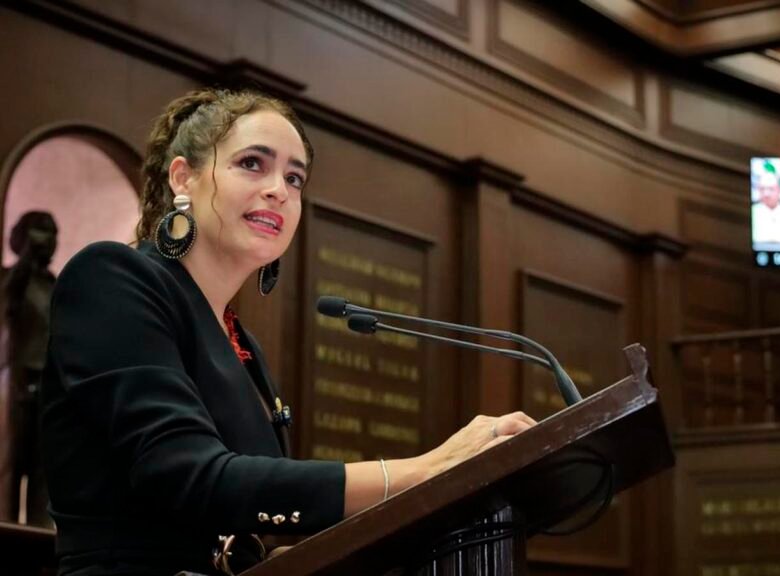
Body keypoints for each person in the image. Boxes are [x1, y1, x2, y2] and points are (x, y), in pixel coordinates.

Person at [40, 88, 537, 576]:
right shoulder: (111, 279)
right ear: (182, 177)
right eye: (252, 163)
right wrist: (426, 470)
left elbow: (240, 527)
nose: (279, 189)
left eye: (295, 177)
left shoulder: (241, 342)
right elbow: (191, 478)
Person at [2, 211, 58, 526]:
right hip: (14, 382)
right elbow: (8, 301)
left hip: (47, 387)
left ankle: (39, 541)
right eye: (40, 230)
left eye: (52, 232)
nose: (47, 239)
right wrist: (24, 259)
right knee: (7, 468)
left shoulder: (53, 284)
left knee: (43, 476)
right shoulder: (9, 279)